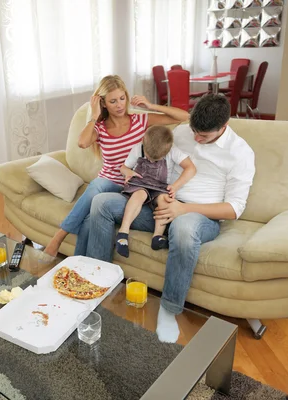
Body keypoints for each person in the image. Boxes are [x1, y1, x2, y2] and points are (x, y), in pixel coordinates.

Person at [74, 94, 255, 343]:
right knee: (102, 203)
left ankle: (169, 311)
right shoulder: (181, 133)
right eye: (194, 131)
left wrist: (183, 209)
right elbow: (149, 141)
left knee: (182, 228)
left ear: (223, 128)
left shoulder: (240, 153)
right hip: (157, 203)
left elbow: (234, 209)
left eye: (203, 136)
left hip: (198, 215)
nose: (196, 139)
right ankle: (97, 287)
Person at [43, 75, 189, 257]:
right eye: (113, 101)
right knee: (95, 194)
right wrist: (94, 117)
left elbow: (185, 116)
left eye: (122, 98)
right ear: (103, 103)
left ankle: (61, 241)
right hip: (108, 183)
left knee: (90, 216)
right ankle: (74, 261)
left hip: (133, 186)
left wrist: (151, 106)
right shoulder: (100, 128)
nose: (120, 105)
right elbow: (81, 143)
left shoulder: (140, 120)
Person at [116, 125, 196, 257]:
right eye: (149, 157)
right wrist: (128, 173)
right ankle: (123, 233)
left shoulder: (173, 151)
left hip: (159, 187)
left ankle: (157, 236)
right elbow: (123, 168)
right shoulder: (138, 148)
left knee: (165, 200)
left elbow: (191, 168)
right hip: (140, 183)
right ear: (143, 142)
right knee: (139, 194)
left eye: (156, 160)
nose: (152, 161)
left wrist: (175, 186)